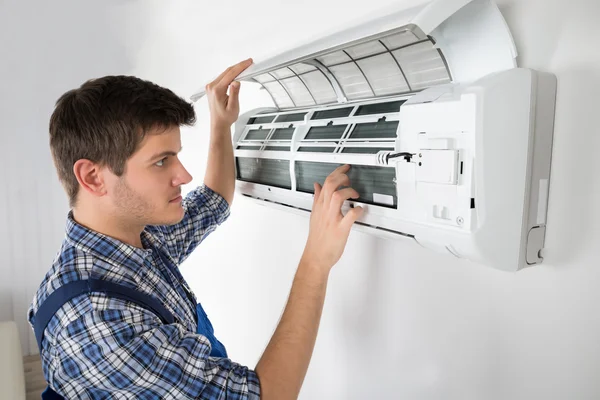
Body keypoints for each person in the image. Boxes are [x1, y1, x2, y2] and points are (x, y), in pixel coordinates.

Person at [27, 59, 364, 399]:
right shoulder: (96, 322)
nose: (183, 175)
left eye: (175, 155)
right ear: (93, 177)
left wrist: (222, 124)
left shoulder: (134, 242)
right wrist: (316, 263)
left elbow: (213, 201)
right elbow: (268, 396)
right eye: (161, 161)